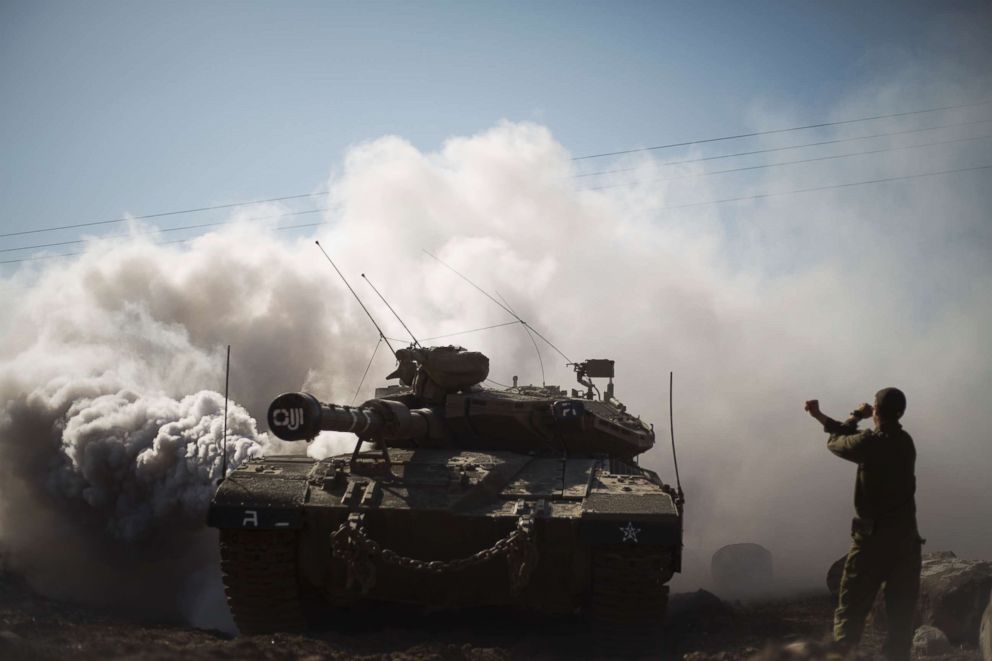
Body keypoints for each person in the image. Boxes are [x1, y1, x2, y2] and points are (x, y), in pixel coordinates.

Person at [804, 388, 922, 661]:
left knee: (850, 614)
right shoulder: (905, 442)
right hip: (906, 543)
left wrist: (856, 415)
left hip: (873, 543)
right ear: (901, 412)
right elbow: (850, 439)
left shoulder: (872, 443)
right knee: (900, 621)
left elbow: (836, 442)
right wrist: (819, 416)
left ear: (876, 412)